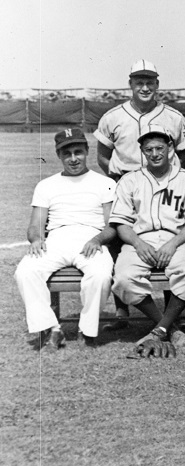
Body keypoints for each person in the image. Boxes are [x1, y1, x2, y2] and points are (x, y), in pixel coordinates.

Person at [94, 59, 185, 329]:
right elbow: (103, 156)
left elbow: (184, 154)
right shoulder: (112, 116)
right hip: (124, 183)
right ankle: (121, 309)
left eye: (150, 82)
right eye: (139, 82)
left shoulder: (174, 116)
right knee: (118, 237)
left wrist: (165, 178)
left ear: (157, 84)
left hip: (164, 184)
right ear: (131, 84)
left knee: (168, 237)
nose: (145, 87)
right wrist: (123, 179)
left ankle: (173, 311)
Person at [15, 129, 117, 349]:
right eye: (67, 153)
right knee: (25, 271)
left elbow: (112, 226)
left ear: (87, 151)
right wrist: (35, 240)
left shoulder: (105, 183)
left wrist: (98, 240)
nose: (73, 158)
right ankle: (52, 328)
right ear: (59, 155)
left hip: (91, 238)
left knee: (100, 275)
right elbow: (35, 226)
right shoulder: (46, 185)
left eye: (78, 152)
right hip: (58, 239)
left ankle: (87, 330)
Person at [110, 126, 185, 350]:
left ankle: (159, 329)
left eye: (160, 148)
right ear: (142, 151)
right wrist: (138, 243)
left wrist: (172, 244)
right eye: (149, 149)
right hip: (140, 239)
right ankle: (169, 328)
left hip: (177, 239)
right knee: (124, 278)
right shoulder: (129, 180)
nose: (155, 154)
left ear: (170, 147)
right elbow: (121, 223)